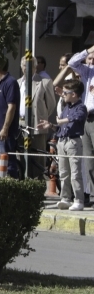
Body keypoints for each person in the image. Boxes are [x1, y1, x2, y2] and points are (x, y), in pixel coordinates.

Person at [43, 79, 87, 211]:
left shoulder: (81, 107)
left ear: (74, 94)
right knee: (63, 172)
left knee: (75, 173)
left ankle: (79, 200)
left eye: (66, 92)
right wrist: (51, 125)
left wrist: (62, 120)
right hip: (62, 141)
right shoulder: (66, 107)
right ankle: (65, 198)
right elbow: (60, 127)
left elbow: (76, 118)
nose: (63, 95)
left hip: (73, 142)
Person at [18, 57, 56, 179]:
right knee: (20, 156)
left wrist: (41, 117)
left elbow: (51, 105)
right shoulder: (18, 82)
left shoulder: (44, 82)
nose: (26, 68)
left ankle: (37, 185)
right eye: (24, 65)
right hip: (20, 124)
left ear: (35, 67)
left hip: (36, 125)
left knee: (37, 158)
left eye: (29, 65)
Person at [68, 47, 94, 204]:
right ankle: (92, 195)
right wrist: (89, 50)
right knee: (88, 160)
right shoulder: (88, 72)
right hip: (87, 120)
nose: (91, 60)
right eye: (90, 58)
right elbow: (72, 62)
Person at [0, 57, 20, 178]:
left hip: (3, 131)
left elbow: (11, 107)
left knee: (7, 161)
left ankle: (12, 188)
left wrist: (5, 128)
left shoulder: (10, 82)